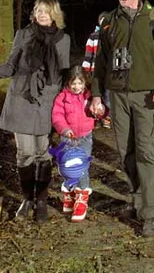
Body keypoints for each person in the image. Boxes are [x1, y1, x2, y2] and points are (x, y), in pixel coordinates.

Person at [0, 0, 71, 223]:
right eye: (37, 10)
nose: (41, 14)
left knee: (43, 153)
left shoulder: (63, 39)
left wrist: (67, 107)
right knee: (25, 154)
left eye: (46, 10)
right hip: (21, 99)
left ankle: (41, 200)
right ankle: (27, 199)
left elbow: (63, 77)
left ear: (54, 14)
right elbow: (10, 66)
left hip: (46, 101)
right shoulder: (23, 35)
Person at [88, 0, 154, 238]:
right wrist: (95, 94)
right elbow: (100, 63)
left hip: (146, 96)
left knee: (146, 153)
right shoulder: (110, 23)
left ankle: (150, 213)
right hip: (117, 97)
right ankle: (138, 199)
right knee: (126, 152)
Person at [51, 66, 98, 222]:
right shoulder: (62, 98)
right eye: (74, 83)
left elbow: (99, 110)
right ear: (68, 83)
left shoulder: (88, 96)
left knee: (81, 167)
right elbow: (57, 116)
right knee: (68, 167)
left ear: (85, 83)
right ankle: (70, 193)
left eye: (80, 83)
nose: (77, 87)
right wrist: (64, 129)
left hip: (84, 136)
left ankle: (82, 196)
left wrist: (100, 111)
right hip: (68, 138)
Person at [83, 11, 112, 129]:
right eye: (102, 20)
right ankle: (94, 117)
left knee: (108, 94)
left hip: (108, 71)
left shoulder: (111, 35)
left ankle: (107, 117)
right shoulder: (93, 36)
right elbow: (88, 53)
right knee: (95, 94)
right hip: (95, 71)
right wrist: (86, 70)